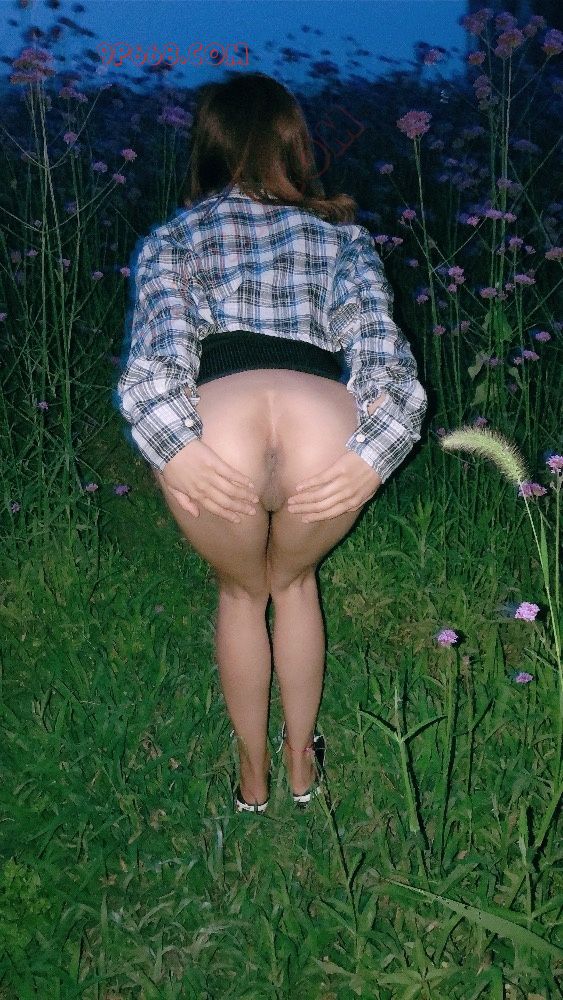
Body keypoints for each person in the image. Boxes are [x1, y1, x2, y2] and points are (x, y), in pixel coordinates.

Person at [115, 71, 427, 814]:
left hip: (218, 420)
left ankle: (250, 777)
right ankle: (300, 767)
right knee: (292, 584)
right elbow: (382, 355)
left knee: (241, 591)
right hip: (322, 420)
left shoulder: (174, 237)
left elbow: (157, 355)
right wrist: (376, 449)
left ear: (209, 145)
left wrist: (175, 442)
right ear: (294, 144)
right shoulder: (342, 238)